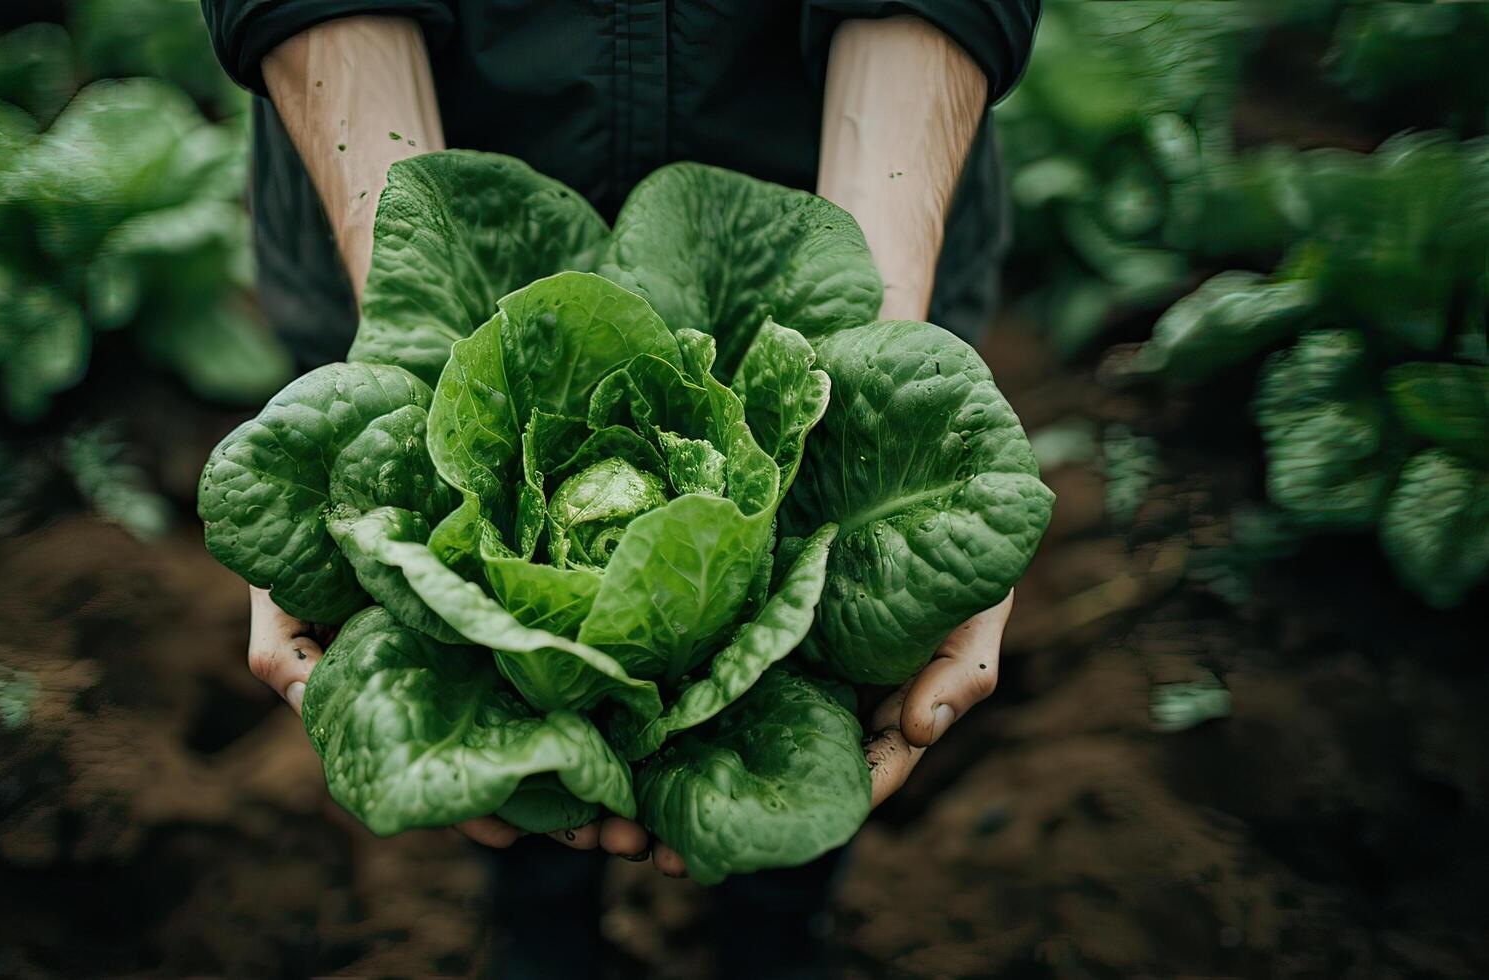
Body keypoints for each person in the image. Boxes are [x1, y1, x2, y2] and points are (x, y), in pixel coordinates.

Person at [201, 2, 1037, 975]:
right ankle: (543, 923)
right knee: (514, 809)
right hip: (390, 153)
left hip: (835, 169)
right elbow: (422, 239)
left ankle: (775, 927)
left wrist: (878, 336)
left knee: (835, 722)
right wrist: (387, 272)